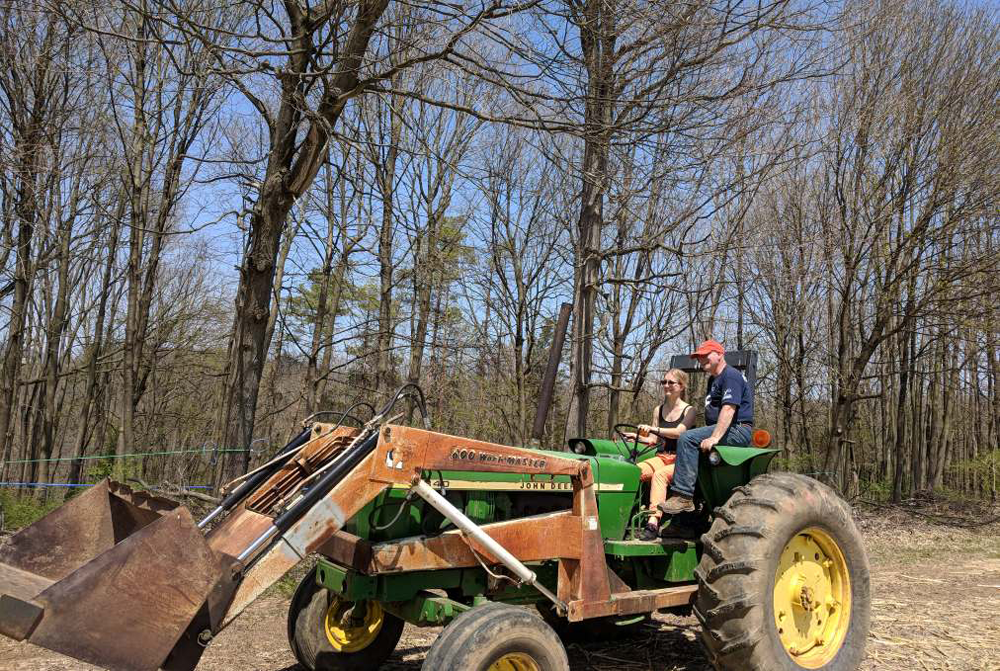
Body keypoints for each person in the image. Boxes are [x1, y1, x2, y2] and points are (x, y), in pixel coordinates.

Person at [658, 339, 754, 516]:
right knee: (694, 457)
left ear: (719, 354)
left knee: (686, 438)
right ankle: (686, 522)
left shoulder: (730, 375)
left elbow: (728, 409)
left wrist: (714, 437)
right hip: (723, 429)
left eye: (705, 355)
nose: (701, 359)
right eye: (699, 357)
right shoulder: (713, 380)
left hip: (737, 429)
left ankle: (683, 497)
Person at [631, 369, 696, 540]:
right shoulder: (658, 410)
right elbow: (653, 439)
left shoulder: (689, 411)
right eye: (664, 382)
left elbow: (678, 433)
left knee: (659, 476)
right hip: (662, 457)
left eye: (671, 382)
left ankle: (652, 523)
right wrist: (636, 436)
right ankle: (628, 518)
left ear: (681, 386)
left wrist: (655, 429)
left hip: (680, 461)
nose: (666, 386)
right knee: (633, 471)